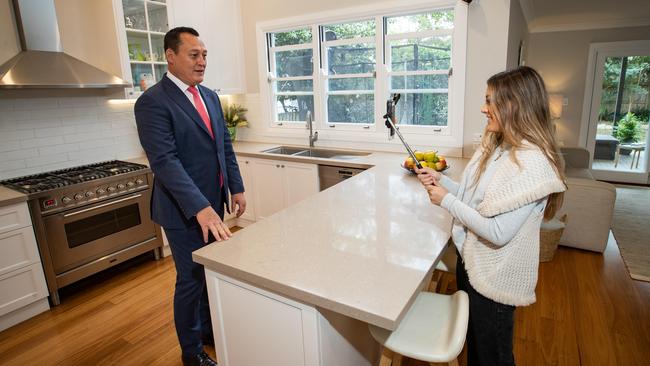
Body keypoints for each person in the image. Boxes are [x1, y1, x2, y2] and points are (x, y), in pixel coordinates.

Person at [415, 66, 566, 365]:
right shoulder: (501, 147)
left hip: (495, 281)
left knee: (493, 356)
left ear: (514, 105)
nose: (484, 109)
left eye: (490, 101)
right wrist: (442, 181)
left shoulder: (532, 164)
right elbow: (476, 200)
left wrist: (446, 201)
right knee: (475, 347)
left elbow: (498, 232)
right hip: (472, 263)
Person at [134, 26, 246, 366]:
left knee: (208, 271)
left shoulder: (210, 96)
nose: (202, 62)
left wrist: (236, 186)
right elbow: (165, 162)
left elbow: (223, 146)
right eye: (194, 55)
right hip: (183, 210)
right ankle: (191, 352)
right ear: (171, 56)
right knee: (191, 279)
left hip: (213, 203)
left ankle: (209, 330)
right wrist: (201, 208)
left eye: (205, 55)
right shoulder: (152, 102)